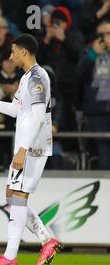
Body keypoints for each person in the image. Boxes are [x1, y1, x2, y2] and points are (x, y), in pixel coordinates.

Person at [0, 34, 62, 265]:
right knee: (12, 196)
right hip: (27, 145)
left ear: (24, 52)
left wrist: (23, 150)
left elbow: (38, 116)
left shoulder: (38, 76)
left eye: (14, 51)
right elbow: (18, 110)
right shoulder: (27, 78)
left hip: (32, 146)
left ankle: (10, 256)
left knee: (18, 197)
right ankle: (46, 239)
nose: (10, 56)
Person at [77, 20, 110, 170]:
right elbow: (79, 74)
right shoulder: (88, 51)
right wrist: (93, 55)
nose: (104, 38)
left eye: (108, 34)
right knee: (103, 151)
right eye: (101, 34)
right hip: (97, 111)